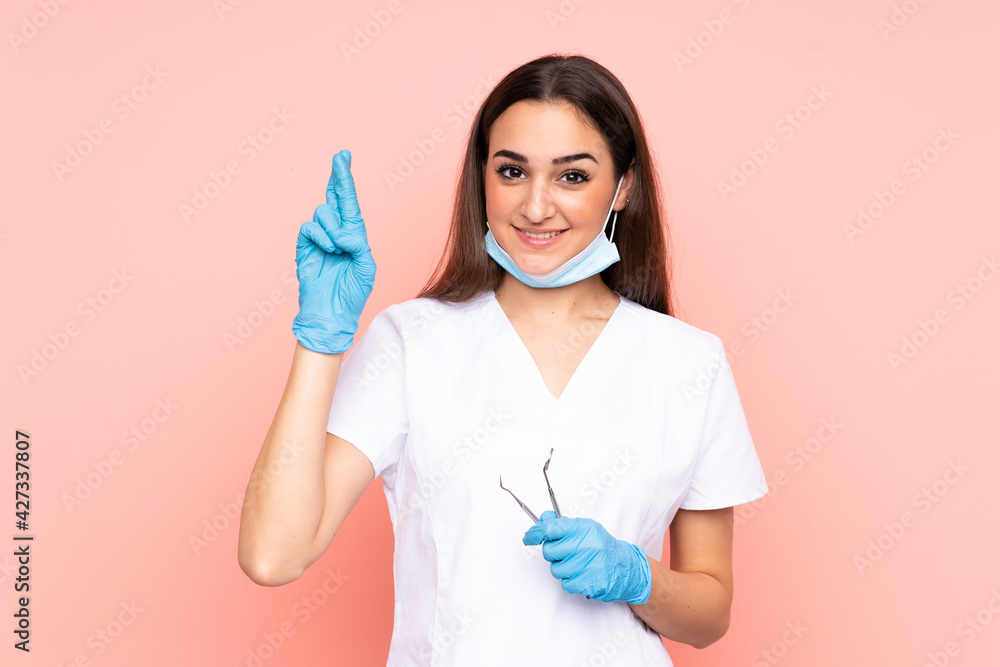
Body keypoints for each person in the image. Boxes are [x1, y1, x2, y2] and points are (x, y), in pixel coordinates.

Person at [238, 54, 769, 666]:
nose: (536, 207)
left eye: (572, 176)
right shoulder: (411, 342)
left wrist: (639, 577)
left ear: (624, 186)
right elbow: (272, 556)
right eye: (512, 171)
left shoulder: (688, 362)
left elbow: (709, 615)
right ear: (482, 179)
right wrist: (320, 340)